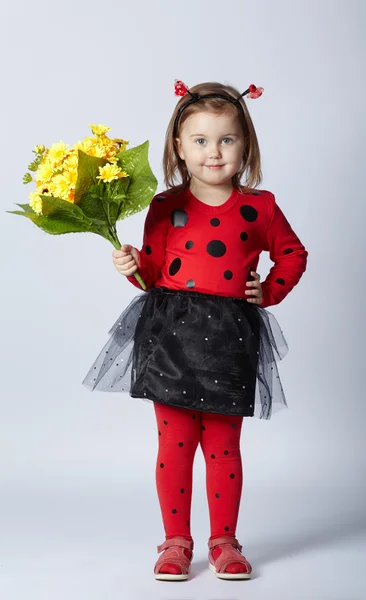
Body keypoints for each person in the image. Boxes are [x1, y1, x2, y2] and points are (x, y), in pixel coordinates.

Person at [82, 80, 308, 581]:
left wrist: (268, 291)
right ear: (179, 148)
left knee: (225, 446)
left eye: (227, 139)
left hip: (230, 338)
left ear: (245, 144)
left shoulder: (261, 206)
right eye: (201, 140)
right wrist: (131, 264)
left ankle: (224, 541)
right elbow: (153, 276)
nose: (214, 152)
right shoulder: (164, 206)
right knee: (175, 445)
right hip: (171, 337)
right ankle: (176, 543)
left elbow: (293, 253)